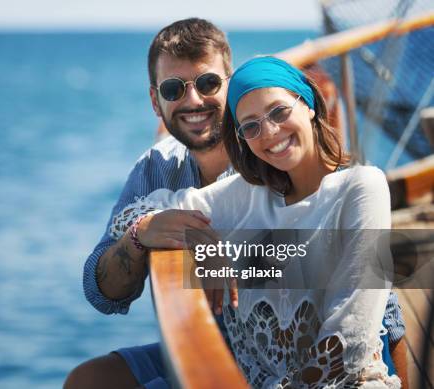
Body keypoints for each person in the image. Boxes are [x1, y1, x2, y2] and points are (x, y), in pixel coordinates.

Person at [65, 19, 406, 389]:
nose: (193, 100)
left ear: (229, 84)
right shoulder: (159, 170)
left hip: (311, 348)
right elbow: (100, 291)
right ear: (155, 100)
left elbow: (368, 300)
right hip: (235, 343)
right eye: (174, 88)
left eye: (208, 83)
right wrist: (160, 232)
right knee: (89, 380)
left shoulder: (272, 162)